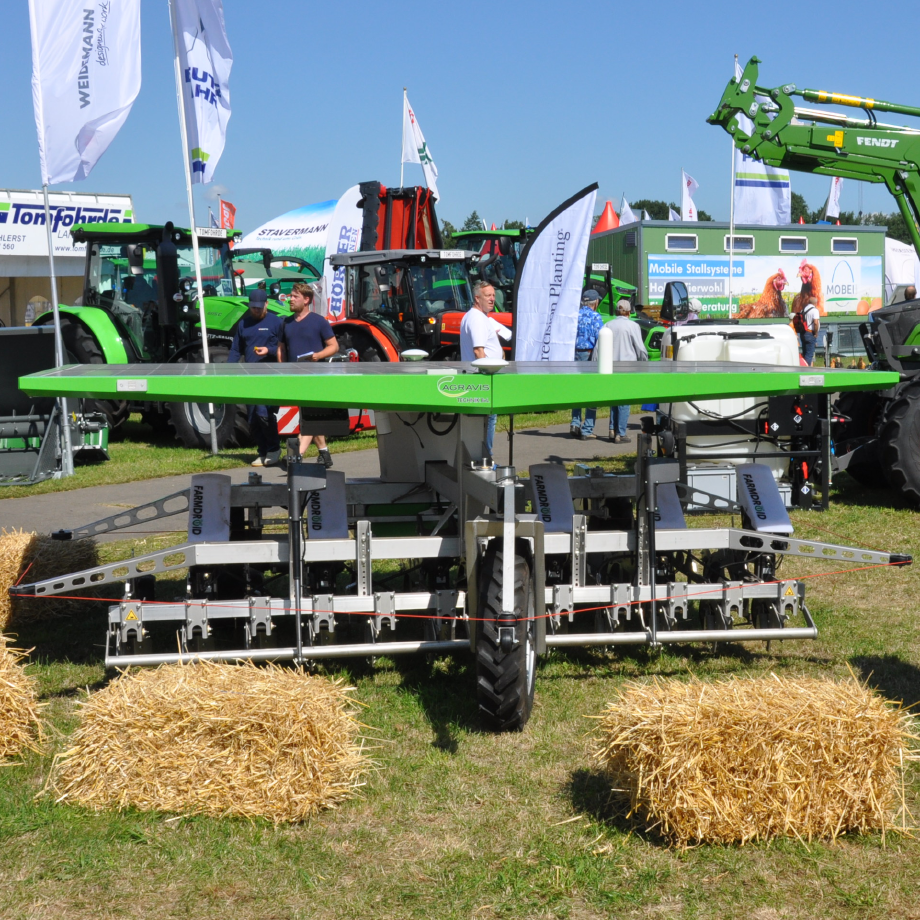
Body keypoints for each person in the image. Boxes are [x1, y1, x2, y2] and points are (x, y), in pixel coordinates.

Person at [281, 282, 339, 469]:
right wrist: (281, 370)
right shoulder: (286, 323)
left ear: (306, 300)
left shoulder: (319, 321)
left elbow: (334, 346)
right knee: (311, 415)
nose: (291, 299)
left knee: (310, 417)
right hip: (294, 378)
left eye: (295, 297)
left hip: (315, 377)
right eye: (290, 296)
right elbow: (281, 349)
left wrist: (317, 356)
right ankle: (324, 454)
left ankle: (296, 455)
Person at [227, 289, 283, 467]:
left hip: (269, 376)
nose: (256, 310)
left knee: (264, 413)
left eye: (259, 307)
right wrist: (228, 370)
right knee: (252, 417)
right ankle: (262, 451)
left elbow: (284, 348)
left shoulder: (276, 322)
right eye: (253, 307)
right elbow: (236, 349)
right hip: (250, 376)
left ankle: (274, 449)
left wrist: (270, 350)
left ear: (266, 304)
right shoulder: (243, 324)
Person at [459, 281, 511, 455]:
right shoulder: (477, 319)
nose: (492, 299)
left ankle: (483, 456)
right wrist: (488, 376)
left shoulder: (480, 317)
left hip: (480, 378)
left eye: (493, 295)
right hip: (483, 380)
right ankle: (485, 457)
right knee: (487, 421)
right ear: (477, 298)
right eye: (487, 295)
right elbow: (479, 351)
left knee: (485, 421)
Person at [604, 300, 649, 443]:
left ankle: (612, 429)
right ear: (629, 312)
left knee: (614, 399)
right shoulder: (633, 326)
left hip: (610, 367)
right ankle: (621, 433)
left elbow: (600, 348)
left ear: (617, 311)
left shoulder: (608, 325)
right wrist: (644, 363)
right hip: (628, 367)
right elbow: (640, 349)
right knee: (624, 401)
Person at [571, 289, 605, 440]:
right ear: (595, 302)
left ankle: (575, 422)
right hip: (590, 353)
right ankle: (587, 429)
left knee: (577, 389)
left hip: (575, 353)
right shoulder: (596, 317)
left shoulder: (574, 315)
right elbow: (602, 337)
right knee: (591, 390)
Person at [792, 294, 820, 366]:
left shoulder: (803, 310)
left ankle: (804, 367)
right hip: (810, 333)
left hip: (803, 333)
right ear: (815, 303)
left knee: (805, 352)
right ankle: (807, 371)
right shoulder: (815, 310)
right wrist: (816, 333)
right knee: (809, 354)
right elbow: (816, 323)